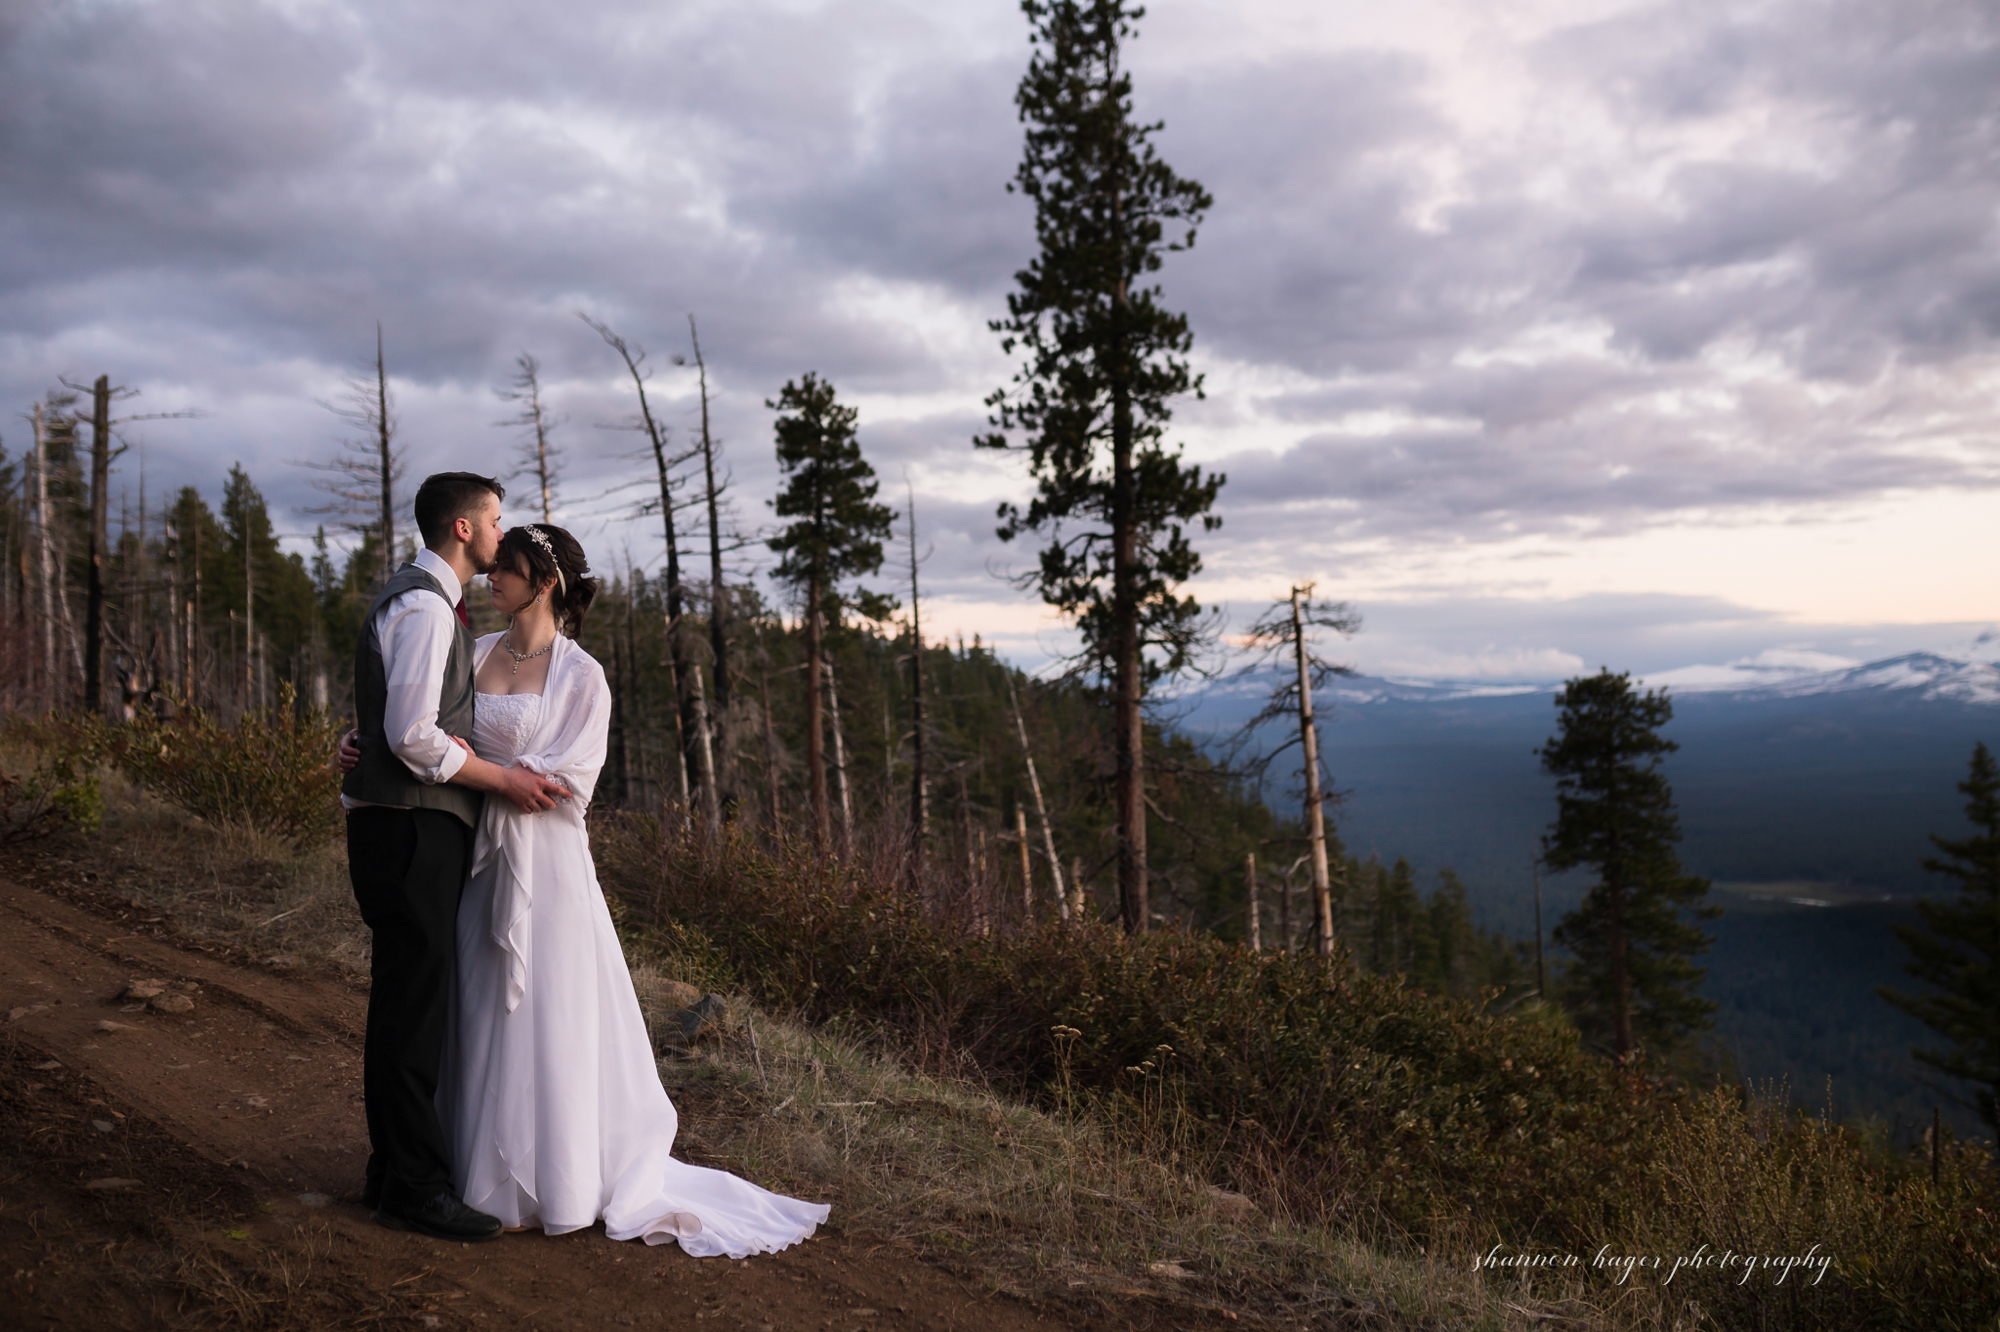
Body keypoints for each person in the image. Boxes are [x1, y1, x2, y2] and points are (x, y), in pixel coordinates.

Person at [343, 521, 828, 1256]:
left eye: (507, 569)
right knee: (474, 1007)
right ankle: (467, 1170)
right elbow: (425, 732)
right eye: (494, 567)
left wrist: (483, 768)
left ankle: (556, 1175)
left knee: (547, 1012)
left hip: (548, 867)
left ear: (543, 584)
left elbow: (568, 781)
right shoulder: (473, 651)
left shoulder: (581, 676)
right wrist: (368, 745)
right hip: (476, 860)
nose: (492, 578)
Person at [341, 473, 572, 1243]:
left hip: (403, 825)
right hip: (411, 830)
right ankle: (414, 1186)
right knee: (413, 1013)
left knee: (405, 1005)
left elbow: (394, 722)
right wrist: (502, 779)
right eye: (496, 520)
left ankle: (391, 1172)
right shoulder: (427, 607)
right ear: (465, 528)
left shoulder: (420, 603)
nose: (504, 534)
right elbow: (414, 737)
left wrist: (362, 741)